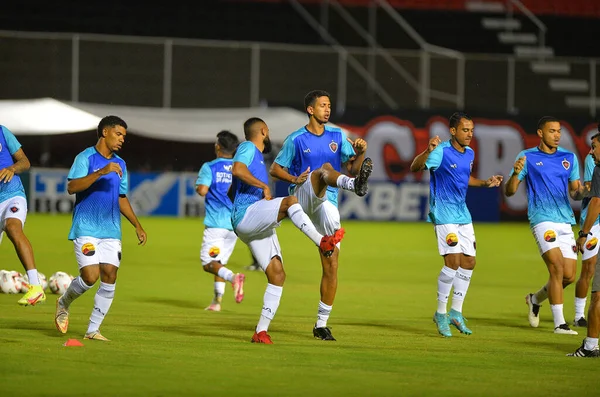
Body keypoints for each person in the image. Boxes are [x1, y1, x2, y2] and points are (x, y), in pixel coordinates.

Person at [269, 89, 372, 341]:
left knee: (332, 263)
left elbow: (352, 167)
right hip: (303, 198)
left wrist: (358, 154)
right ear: (310, 109)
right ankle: (354, 186)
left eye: (329, 105)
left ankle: (321, 324)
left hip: (327, 206)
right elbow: (274, 168)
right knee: (323, 170)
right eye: (323, 105)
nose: (327, 109)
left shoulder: (338, 136)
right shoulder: (296, 139)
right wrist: (294, 178)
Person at [231, 117, 345, 344]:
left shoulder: (257, 157)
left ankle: (260, 332)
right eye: (268, 130)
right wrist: (263, 186)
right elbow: (237, 169)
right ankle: (321, 240)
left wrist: (291, 179)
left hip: (253, 224)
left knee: (277, 275)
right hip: (248, 214)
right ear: (263, 131)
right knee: (290, 202)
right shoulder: (247, 147)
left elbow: (233, 188)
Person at [54, 116, 147, 341]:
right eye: (119, 134)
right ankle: (63, 302)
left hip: (111, 229)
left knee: (110, 275)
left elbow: (121, 197)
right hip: (86, 226)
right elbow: (72, 187)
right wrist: (100, 173)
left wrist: (137, 225)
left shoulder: (121, 164)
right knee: (90, 276)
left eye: (124, 136)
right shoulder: (85, 157)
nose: (122, 139)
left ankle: (92, 330)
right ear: (105, 132)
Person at [410, 112, 503, 337]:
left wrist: (484, 182)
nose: (470, 134)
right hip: (443, 213)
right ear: (453, 131)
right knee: (452, 261)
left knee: (469, 262)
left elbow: (463, 179)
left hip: (463, 214)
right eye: (465, 130)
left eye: (471, 130)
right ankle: (440, 313)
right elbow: (415, 167)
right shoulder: (440, 151)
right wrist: (428, 150)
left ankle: (455, 312)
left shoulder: (469, 153)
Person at [505, 116, 584, 335]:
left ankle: (535, 299)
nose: (557, 135)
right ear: (540, 133)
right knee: (556, 268)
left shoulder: (569, 158)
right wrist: (514, 173)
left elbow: (575, 192)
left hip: (565, 221)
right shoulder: (527, 157)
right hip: (541, 219)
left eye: (559, 131)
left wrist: (586, 190)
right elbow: (510, 191)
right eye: (552, 131)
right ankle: (560, 324)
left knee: (568, 276)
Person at [195, 130, 244, 311]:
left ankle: (234, 278)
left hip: (216, 225)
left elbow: (202, 190)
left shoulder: (210, 167)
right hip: (234, 226)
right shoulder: (239, 168)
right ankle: (217, 302)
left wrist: (199, 185)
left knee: (208, 263)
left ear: (218, 146)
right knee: (219, 263)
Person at [0, 124, 46, 306]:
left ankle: (35, 287)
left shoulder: (2, 132)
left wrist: (12, 168)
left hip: (12, 195)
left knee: (13, 227)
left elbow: (24, 162)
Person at [569, 131, 600, 357]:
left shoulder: (596, 166)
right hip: (594, 223)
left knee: (597, 293)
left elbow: (594, 197)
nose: (590, 152)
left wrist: (583, 232)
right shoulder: (592, 161)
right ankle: (579, 315)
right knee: (588, 271)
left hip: (594, 225)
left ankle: (590, 346)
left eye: (594, 146)